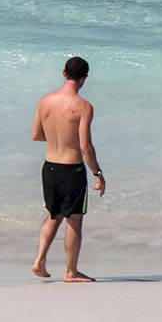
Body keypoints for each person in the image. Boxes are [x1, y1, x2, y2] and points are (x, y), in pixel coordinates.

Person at [31, 55, 105, 282]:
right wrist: (98, 173)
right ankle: (70, 271)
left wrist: (57, 139)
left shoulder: (44, 101)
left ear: (64, 73)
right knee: (74, 219)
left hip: (49, 167)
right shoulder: (83, 107)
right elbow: (86, 147)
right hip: (72, 170)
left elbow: (36, 135)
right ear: (84, 79)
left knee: (53, 214)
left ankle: (39, 259)